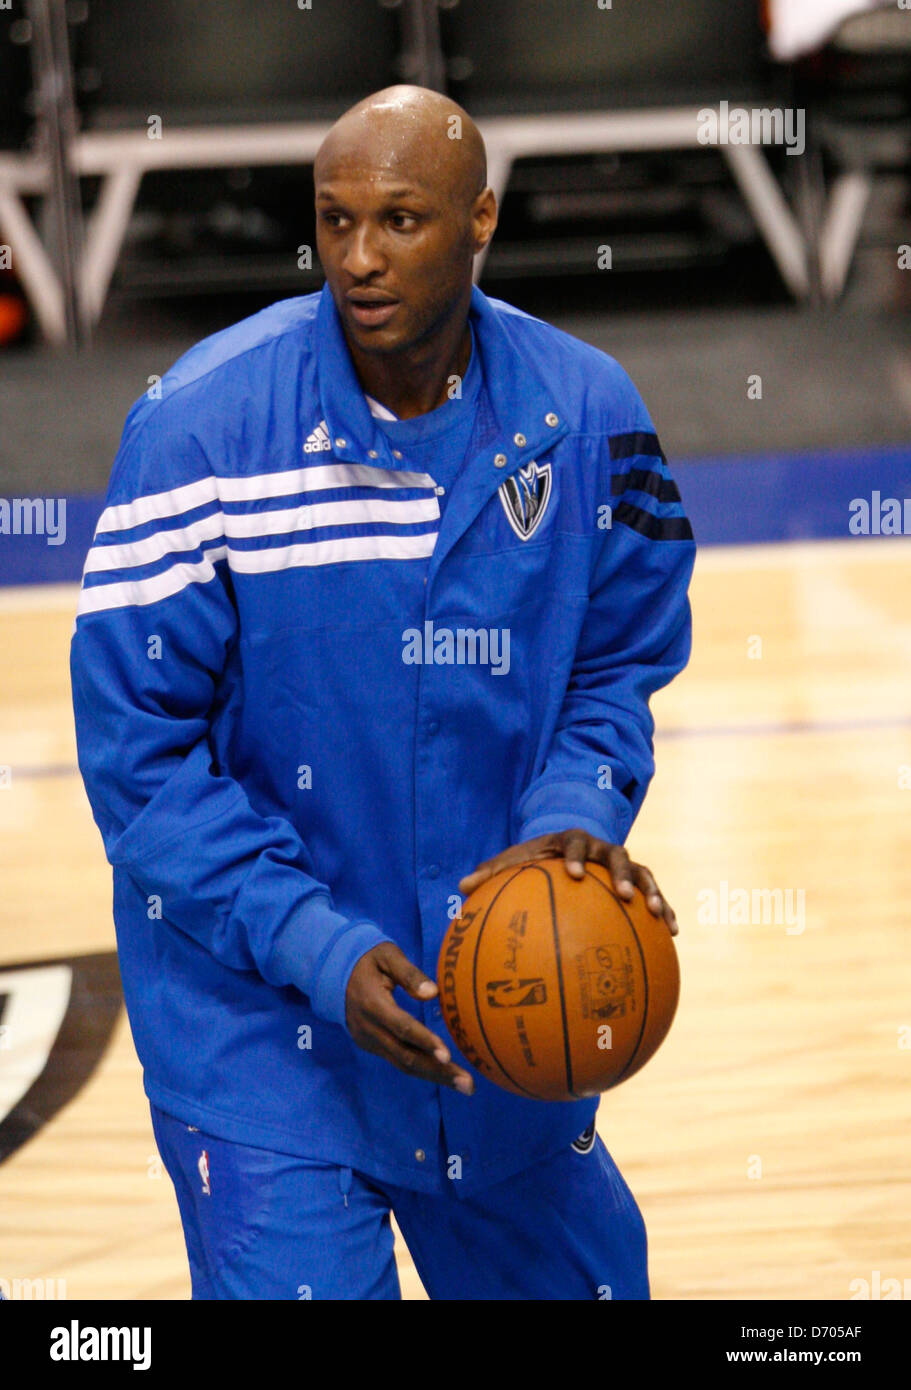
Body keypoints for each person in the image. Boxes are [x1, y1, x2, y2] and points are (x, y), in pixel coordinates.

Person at [71, 85, 694, 1300]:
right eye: (334, 220)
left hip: (497, 1010)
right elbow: (136, 760)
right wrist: (316, 944)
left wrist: (571, 818)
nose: (357, 258)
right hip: (261, 1034)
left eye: (400, 220)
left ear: (480, 223)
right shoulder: (195, 433)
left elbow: (618, 661)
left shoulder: (588, 418)